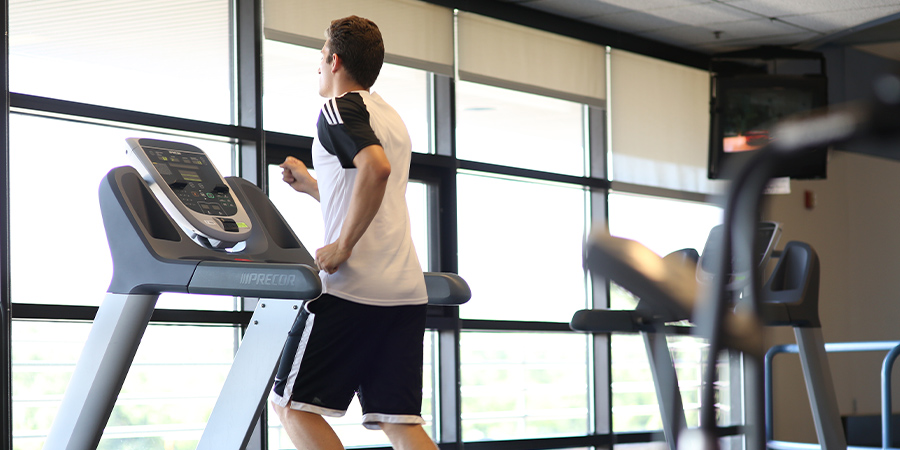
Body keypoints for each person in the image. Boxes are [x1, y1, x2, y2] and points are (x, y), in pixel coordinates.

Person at [270, 15, 435, 450]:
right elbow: (371, 192)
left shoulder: (336, 109)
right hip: (404, 291)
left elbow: (374, 171)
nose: (318, 66)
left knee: (290, 406)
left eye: (321, 56)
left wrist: (342, 247)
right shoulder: (390, 117)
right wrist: (311, 187)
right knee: (400, 423)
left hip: (352, 290)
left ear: (335, 59)